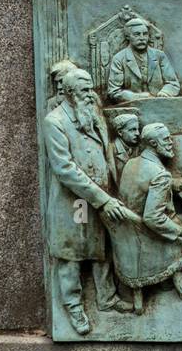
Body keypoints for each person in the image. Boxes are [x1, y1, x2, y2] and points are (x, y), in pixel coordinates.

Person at [42, 66, 134, 333]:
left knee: (100, 247)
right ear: (69, 93)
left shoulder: (92, 112)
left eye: (92, 88)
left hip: (101, 194)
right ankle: (73, 307)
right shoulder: (55, 122)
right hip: (75, 202)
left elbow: (104, 150)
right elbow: (65, 169)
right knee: (71, 253)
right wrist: (102, 199)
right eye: (84, 90)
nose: (91, 94)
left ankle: (107, 299)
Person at [113, 123, 182, 307]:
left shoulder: (132, 162)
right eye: (167, 140)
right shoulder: (159, 174)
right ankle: (179, 282)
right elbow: (153, 218)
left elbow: (145, 183)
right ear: (154, 144)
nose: (172, 143)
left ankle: (158, 286)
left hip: (127, 234)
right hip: (147, 235)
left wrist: (177, 184)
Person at [106, 16, 181, 102]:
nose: (142, 38)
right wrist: (138, 97)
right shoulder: (119, 58)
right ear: (127, 36)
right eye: (137, 34)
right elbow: (114, 91)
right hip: (132, 108)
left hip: (160, 106)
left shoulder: (160, 56)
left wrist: (165, 93)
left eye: (145, 34)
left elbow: (173, 83)